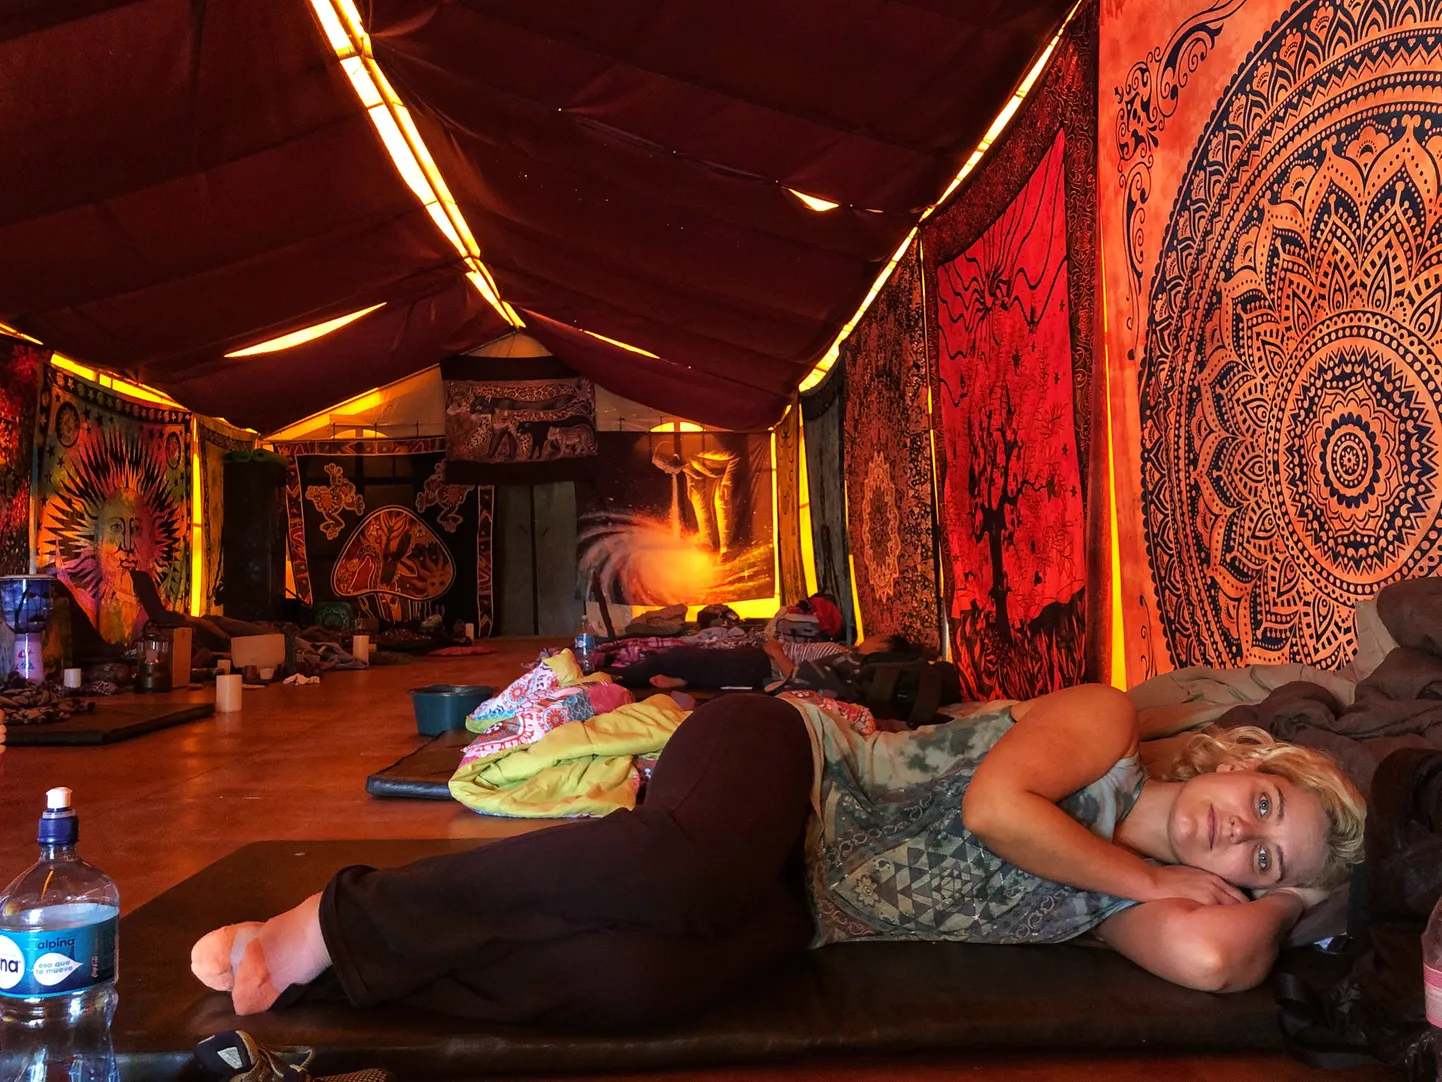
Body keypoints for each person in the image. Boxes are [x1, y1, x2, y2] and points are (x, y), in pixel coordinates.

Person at [190, 684, 1365, 1024]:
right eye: (1260, 801)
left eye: (1263, 857)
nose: (1239, 832)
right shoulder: (1103, 730)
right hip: (790, 761)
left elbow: (1215, 961)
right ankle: (337, 918)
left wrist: (1304, 891)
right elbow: (996, 811)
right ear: (1233, 758)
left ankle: (345, 979)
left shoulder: (1114, 912)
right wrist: (1158, 872)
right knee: (681, 872)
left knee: (634, 980)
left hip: (800, 906)